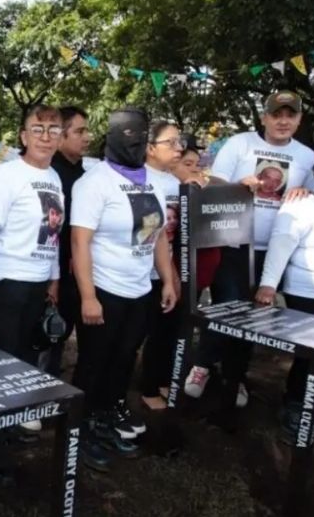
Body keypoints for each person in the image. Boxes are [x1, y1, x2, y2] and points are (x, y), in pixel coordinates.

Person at [184, 91, 314, 404]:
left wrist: (303, 192)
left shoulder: (307, 157)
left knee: (255, 316)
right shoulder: (239, 144)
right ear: (264, 117)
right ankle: (203, 364)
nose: (283, 121)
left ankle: (236, 376)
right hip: (233, 243)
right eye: (276, 114)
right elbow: (212, 186)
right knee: (229, 306)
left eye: (290, 115)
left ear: (299, 119)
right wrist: (238, 186)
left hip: (275, 251)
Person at [70, 108, 178, 472]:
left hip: (139, 288)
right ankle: (81, 429)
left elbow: (158, 234)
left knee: (124, 356)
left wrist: (166, 278)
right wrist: (87, 295)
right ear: (113, 138)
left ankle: (108, 413)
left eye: (142, 135)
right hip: (104, 287)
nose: (136, 141)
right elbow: (79, 243)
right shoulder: (94, 182)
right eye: (129, 134)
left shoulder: (153, 181)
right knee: (93, 361)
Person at [0, 104, 64, 477]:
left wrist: (54, 278)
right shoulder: (8, 175)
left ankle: (9, 429)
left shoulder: (55, 177)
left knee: (25, 362)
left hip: (39, 283)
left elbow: (54, 234)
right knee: (0, 366)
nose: (46, 136)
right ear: (24, 136)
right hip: (8, 282)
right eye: (37, 129)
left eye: (53, 129)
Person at [256, 145, 314, 437]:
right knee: (311, 357)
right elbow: (281, 244)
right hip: (313, 293)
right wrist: (268, 286)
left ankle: (307, 406)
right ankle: (294, 408)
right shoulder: (301, 204)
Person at [138, 121, 184, 411]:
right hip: (140, 269)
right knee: (141, 331)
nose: (178, 148)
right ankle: (146, 388)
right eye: (171, 142)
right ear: (150, 147)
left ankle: (159, 380)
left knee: (166, 327)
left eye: (180, 142)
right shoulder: (138, 178)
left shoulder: (175, 183)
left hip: (166, 268)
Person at [46, 106, 92, 377]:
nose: (87, 137)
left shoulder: (90, 176)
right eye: (80, 131)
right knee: (50, 335)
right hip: (53, 270)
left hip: (83, 271)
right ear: (60, 137)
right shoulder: (49, 175)